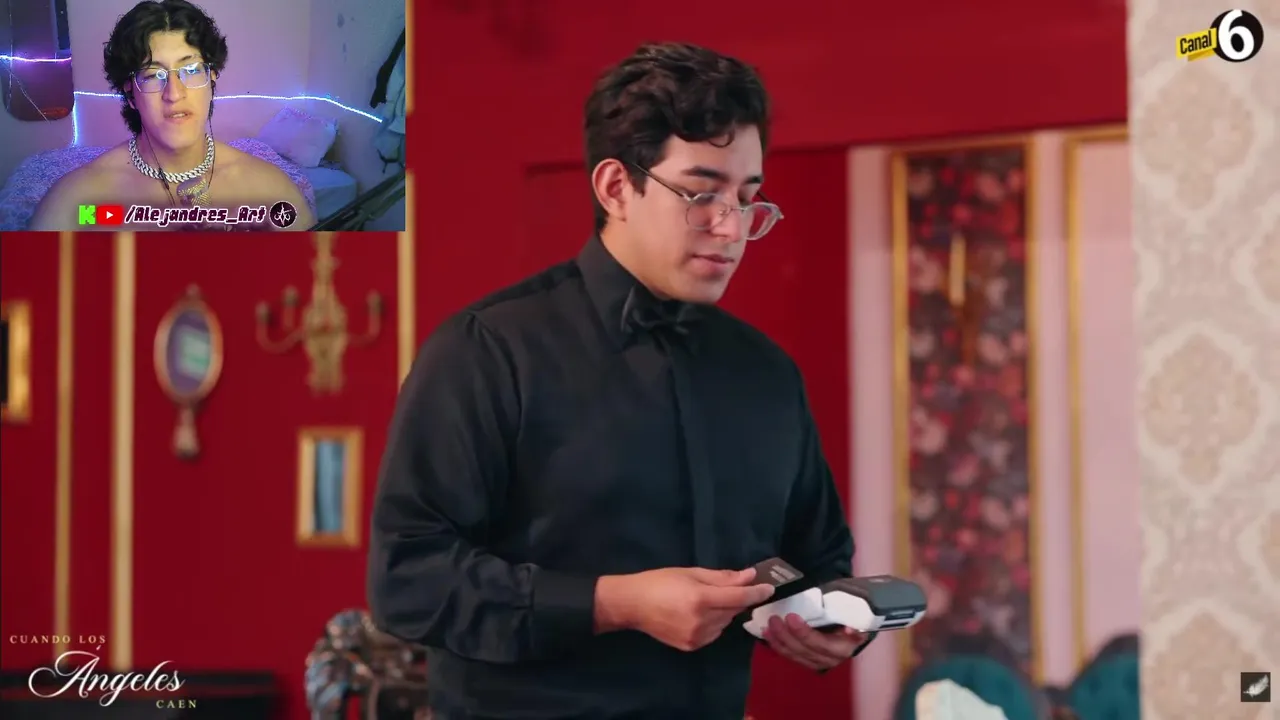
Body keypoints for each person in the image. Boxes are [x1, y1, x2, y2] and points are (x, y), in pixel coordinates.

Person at [368, 42, 873, 719]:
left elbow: (819, 554)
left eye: (748, 198)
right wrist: (615, 603)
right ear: (615, 188)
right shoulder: (486, 351)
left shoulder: (767, 374)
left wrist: (833, 617)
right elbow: (407, 582)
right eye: (702, 194)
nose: (731, 227)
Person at [29, 0, 313, 231]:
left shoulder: (270, 192)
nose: (174, 94)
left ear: (212, 79)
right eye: (153, 75)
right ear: (131, 93)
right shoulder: (80, 204)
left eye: (191, 70)